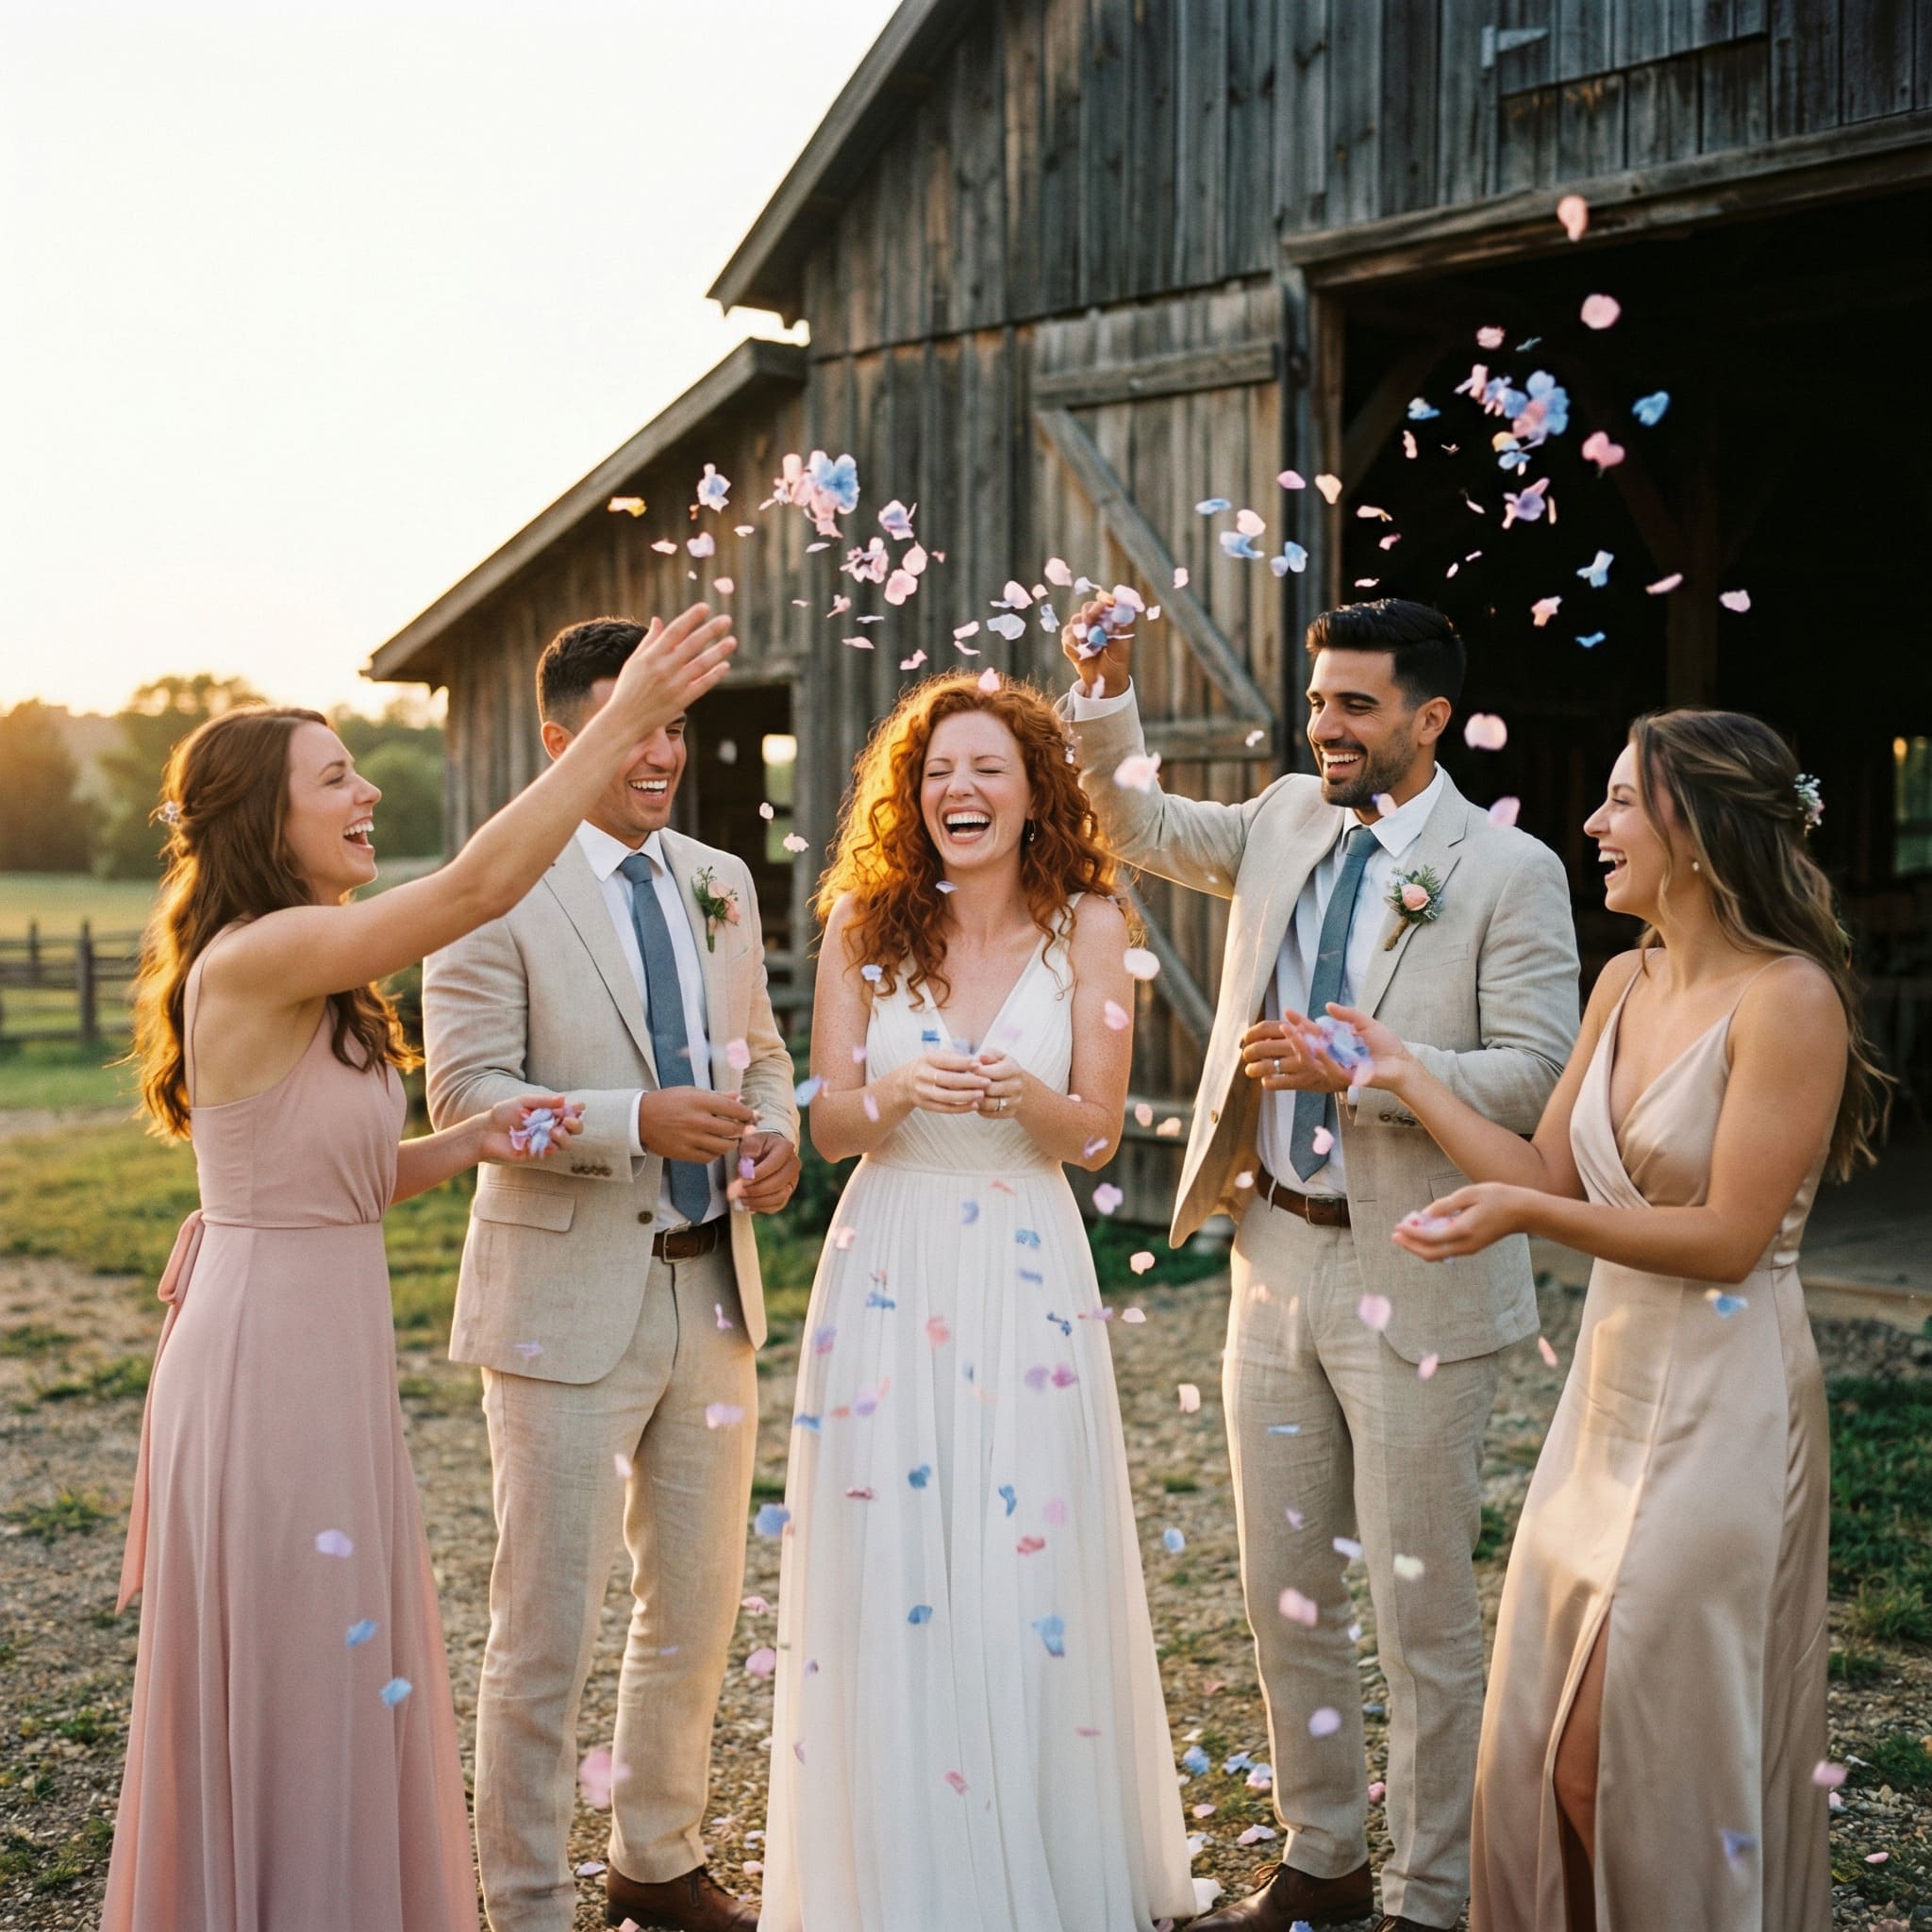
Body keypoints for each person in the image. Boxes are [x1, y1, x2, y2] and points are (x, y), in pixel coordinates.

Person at [103, 604, 736, 1932]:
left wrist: (469, 1142)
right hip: (266, 1362)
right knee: (293, 1664)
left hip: (323, 1343)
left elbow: (337, 1181)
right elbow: (471, 894)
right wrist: (620, 723)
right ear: (260, 823)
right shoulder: (263, 954)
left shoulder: (317, 977)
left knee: (342, 1659)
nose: (367, 786)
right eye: (334, 776)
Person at [1060, 595, 1580, 1932]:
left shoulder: (1506, 871)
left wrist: (1378, 1070)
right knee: (1282, 1585)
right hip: (1275, 1248)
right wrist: (1105, 686)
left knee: (1421, 1610)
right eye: (1318, 700)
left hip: (1419, 1270)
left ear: (1429, 718)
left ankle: (1432, 1891)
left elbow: (1533, 1080)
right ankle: (1326, 1857)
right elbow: (1138, 827)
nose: (1326, 727)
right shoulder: (1290, 814)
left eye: (1356, 705)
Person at [1329, 710, 1886, 1932]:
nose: (1593, 823)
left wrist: (1522, 1223)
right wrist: (1404, 1069)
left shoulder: (1791, 1000)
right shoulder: (1626, 979)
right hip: (1609, 1396)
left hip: (1730, 1402)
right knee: (1541, 1755)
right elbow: (1545, 1164)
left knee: (1614, 1752)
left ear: (1697, 828)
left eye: (1623, 800)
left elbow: (1731, 1236)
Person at [757, 672, 1196, 1932]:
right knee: (891, 1554)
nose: (962, 789)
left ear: (1033, 791)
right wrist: (895, 1098)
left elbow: (1100, 1132)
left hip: (1022, 1261)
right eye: (939, 770)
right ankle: (900, 1868)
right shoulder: (860, 921)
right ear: (911, 792)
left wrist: (1020, 1100)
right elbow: (832, 1126)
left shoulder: (1093, 925)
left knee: (1024, 1567)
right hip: (889, 1259)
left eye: (989, 769)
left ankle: (1038, 1862)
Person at [422, 616, 799, 1932]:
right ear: (557, 739)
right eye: (633, 723)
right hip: (561, 1302)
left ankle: (659, 1860)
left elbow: (757, 1050)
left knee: (692, 1607)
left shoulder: (720, 877)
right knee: (546, 1630)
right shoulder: (487, 886)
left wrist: (781, 1133)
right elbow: (467, 1090)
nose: (660, 752)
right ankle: (522, 1902)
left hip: (713, 1293)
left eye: (674, 726)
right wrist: (632, 1120)